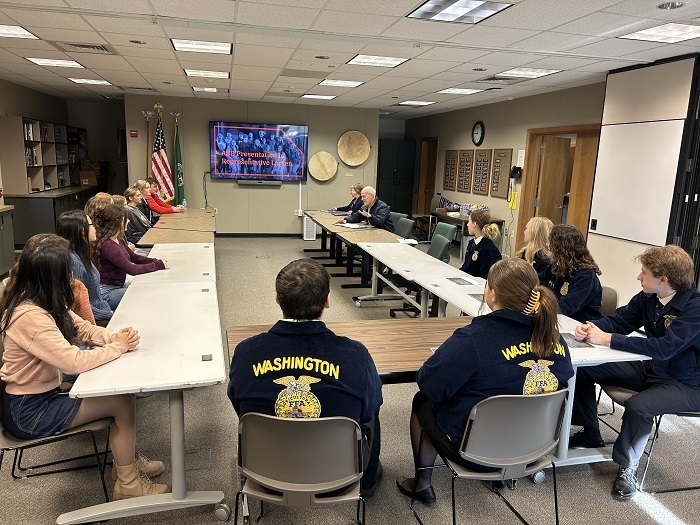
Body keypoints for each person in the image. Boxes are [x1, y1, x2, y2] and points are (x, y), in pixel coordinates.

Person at [0, 236, 168, 500]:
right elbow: (73, 362)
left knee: (122, 396)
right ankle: (128, 484)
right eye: (65, 272)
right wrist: (118, 348)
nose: (71, 277)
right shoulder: (30, 316)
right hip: (29, 412)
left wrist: (112, 337)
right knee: (121, 402)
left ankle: (127, 464)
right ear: (49, 277)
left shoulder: (42, 301)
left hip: (41, 398)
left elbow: (82, 328)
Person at [396, 258, 573, 504]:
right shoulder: (552, 337)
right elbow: (562, 379)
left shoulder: (474, 339)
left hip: (473, 450)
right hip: (534, 447)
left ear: (492, 293)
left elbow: (429, 384)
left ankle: (422, 484)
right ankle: (499, 475)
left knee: (422, 400)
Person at [228, 259, 384, 497]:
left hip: (264, 471)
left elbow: (238, 406)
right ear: (327, 301)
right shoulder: (356, 356)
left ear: (277, 298)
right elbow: (368, 409)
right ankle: (368, 483)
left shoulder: (245, 352)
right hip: (338, 474)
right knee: (371, 411)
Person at [571, 245, 700, 501]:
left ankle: (627, 466)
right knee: (582, 369)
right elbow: (621, 321)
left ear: (663, 279)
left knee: (639, 407)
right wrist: (590, 327)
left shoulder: (695, 308)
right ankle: (590, 432)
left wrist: (608, 339)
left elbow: (664, 348)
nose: (639, 278)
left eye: (643, 273)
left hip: (686, 383)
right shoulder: (649, 298)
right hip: (653, 369)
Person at [94, 204, 167, 310]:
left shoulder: (118, 239)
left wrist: (156, 261)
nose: (128, 221)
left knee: (148, 286)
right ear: (117, 222)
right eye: (125, 219)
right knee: (142, 293)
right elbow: (132, 269)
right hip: (107, 292)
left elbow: (135, 258)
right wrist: (158, 265)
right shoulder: (108, 245)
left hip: (118, 286)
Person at [56, 210, 113, 326]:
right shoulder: (73, 261)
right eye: (91, 225)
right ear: (82, 231)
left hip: (102, 311)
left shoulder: (81, 254)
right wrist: (109, 314)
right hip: (93, 319)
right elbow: (79, 305)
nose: (95, 228)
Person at [540, 224, 602, 322]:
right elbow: (537, 286)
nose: (547, 244)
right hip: (556, 320)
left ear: (563, 247)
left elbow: (565, 307)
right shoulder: (555, 266)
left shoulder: (586, 275)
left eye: (551, 241)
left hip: (579, 326)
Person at [459, 209, 501, 279]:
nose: (467, 224)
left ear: (474, 224)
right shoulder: (472, 243)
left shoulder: (488, 249)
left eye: (469, 221)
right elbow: (466, 267)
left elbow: (486, 277)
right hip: (466, 279)